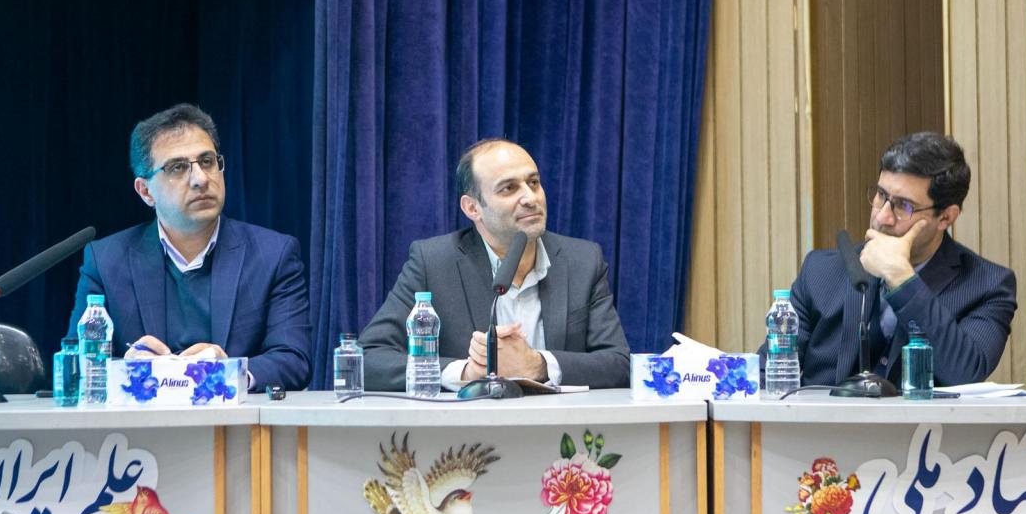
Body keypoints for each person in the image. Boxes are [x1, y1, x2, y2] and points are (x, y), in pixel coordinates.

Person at [66, 103, 312, 390]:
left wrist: (228, 373)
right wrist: (125, 370)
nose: (200, 179)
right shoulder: (106, 261)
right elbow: (75, 363)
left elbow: (294, 359)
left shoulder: (273, 255)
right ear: (145, 191)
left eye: (207, 161)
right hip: (143, 417)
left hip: (233, 417)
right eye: (178, 167)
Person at [360, 138, 630, 391]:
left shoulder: (583, 260)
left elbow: (619, 363)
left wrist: (538, 365)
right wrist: (466, 371)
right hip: (471, 424)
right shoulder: (434, 262)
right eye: (508, 188)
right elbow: (369, 359)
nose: (531, 198)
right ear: (472, 208)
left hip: (560, 423)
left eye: (534, 182)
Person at [767, 131, 1017, 387]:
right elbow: (767, 375)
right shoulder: (821, 272)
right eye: (881, 195)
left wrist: (901, 277)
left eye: (904, 206)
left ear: (945, 217)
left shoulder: (988, 285)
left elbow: (965, 373)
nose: (882, 217)